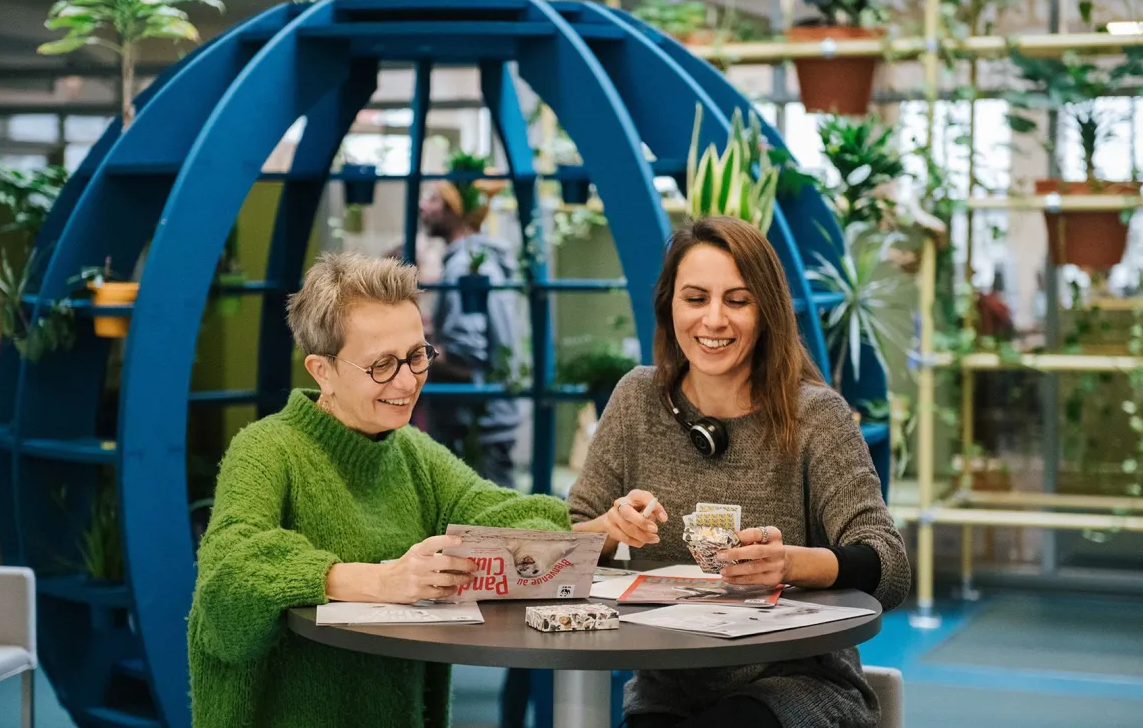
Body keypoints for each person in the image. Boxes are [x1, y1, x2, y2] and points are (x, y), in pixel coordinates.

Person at [186, 252, 571, 728]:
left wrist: (577, 532)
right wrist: (378, 581)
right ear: (321, 370)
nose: (408, 381)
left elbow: (511, 514)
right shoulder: (266, 450)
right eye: (382, 366)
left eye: (416, 356)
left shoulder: (413, 452)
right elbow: (229, 575)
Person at [567, 217, 911, 728]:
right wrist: (606, 531)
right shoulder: (637, 400)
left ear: (766, 311)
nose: (713, 320)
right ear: (669, 307)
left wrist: (790, 564)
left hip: (798, 690)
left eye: (737, 300)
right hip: (669, 692)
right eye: (695, 298)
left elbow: (890, 566)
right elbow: (565, 546)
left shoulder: (817, 415)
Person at [419, 172, 522, 489]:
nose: (423, 206)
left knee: (486, 531)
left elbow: (467, 356)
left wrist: (410, 352)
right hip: (486, 420)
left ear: (455, 210)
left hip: (474, 427)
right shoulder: (481, 260)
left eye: (434, 199)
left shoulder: (466, 266)